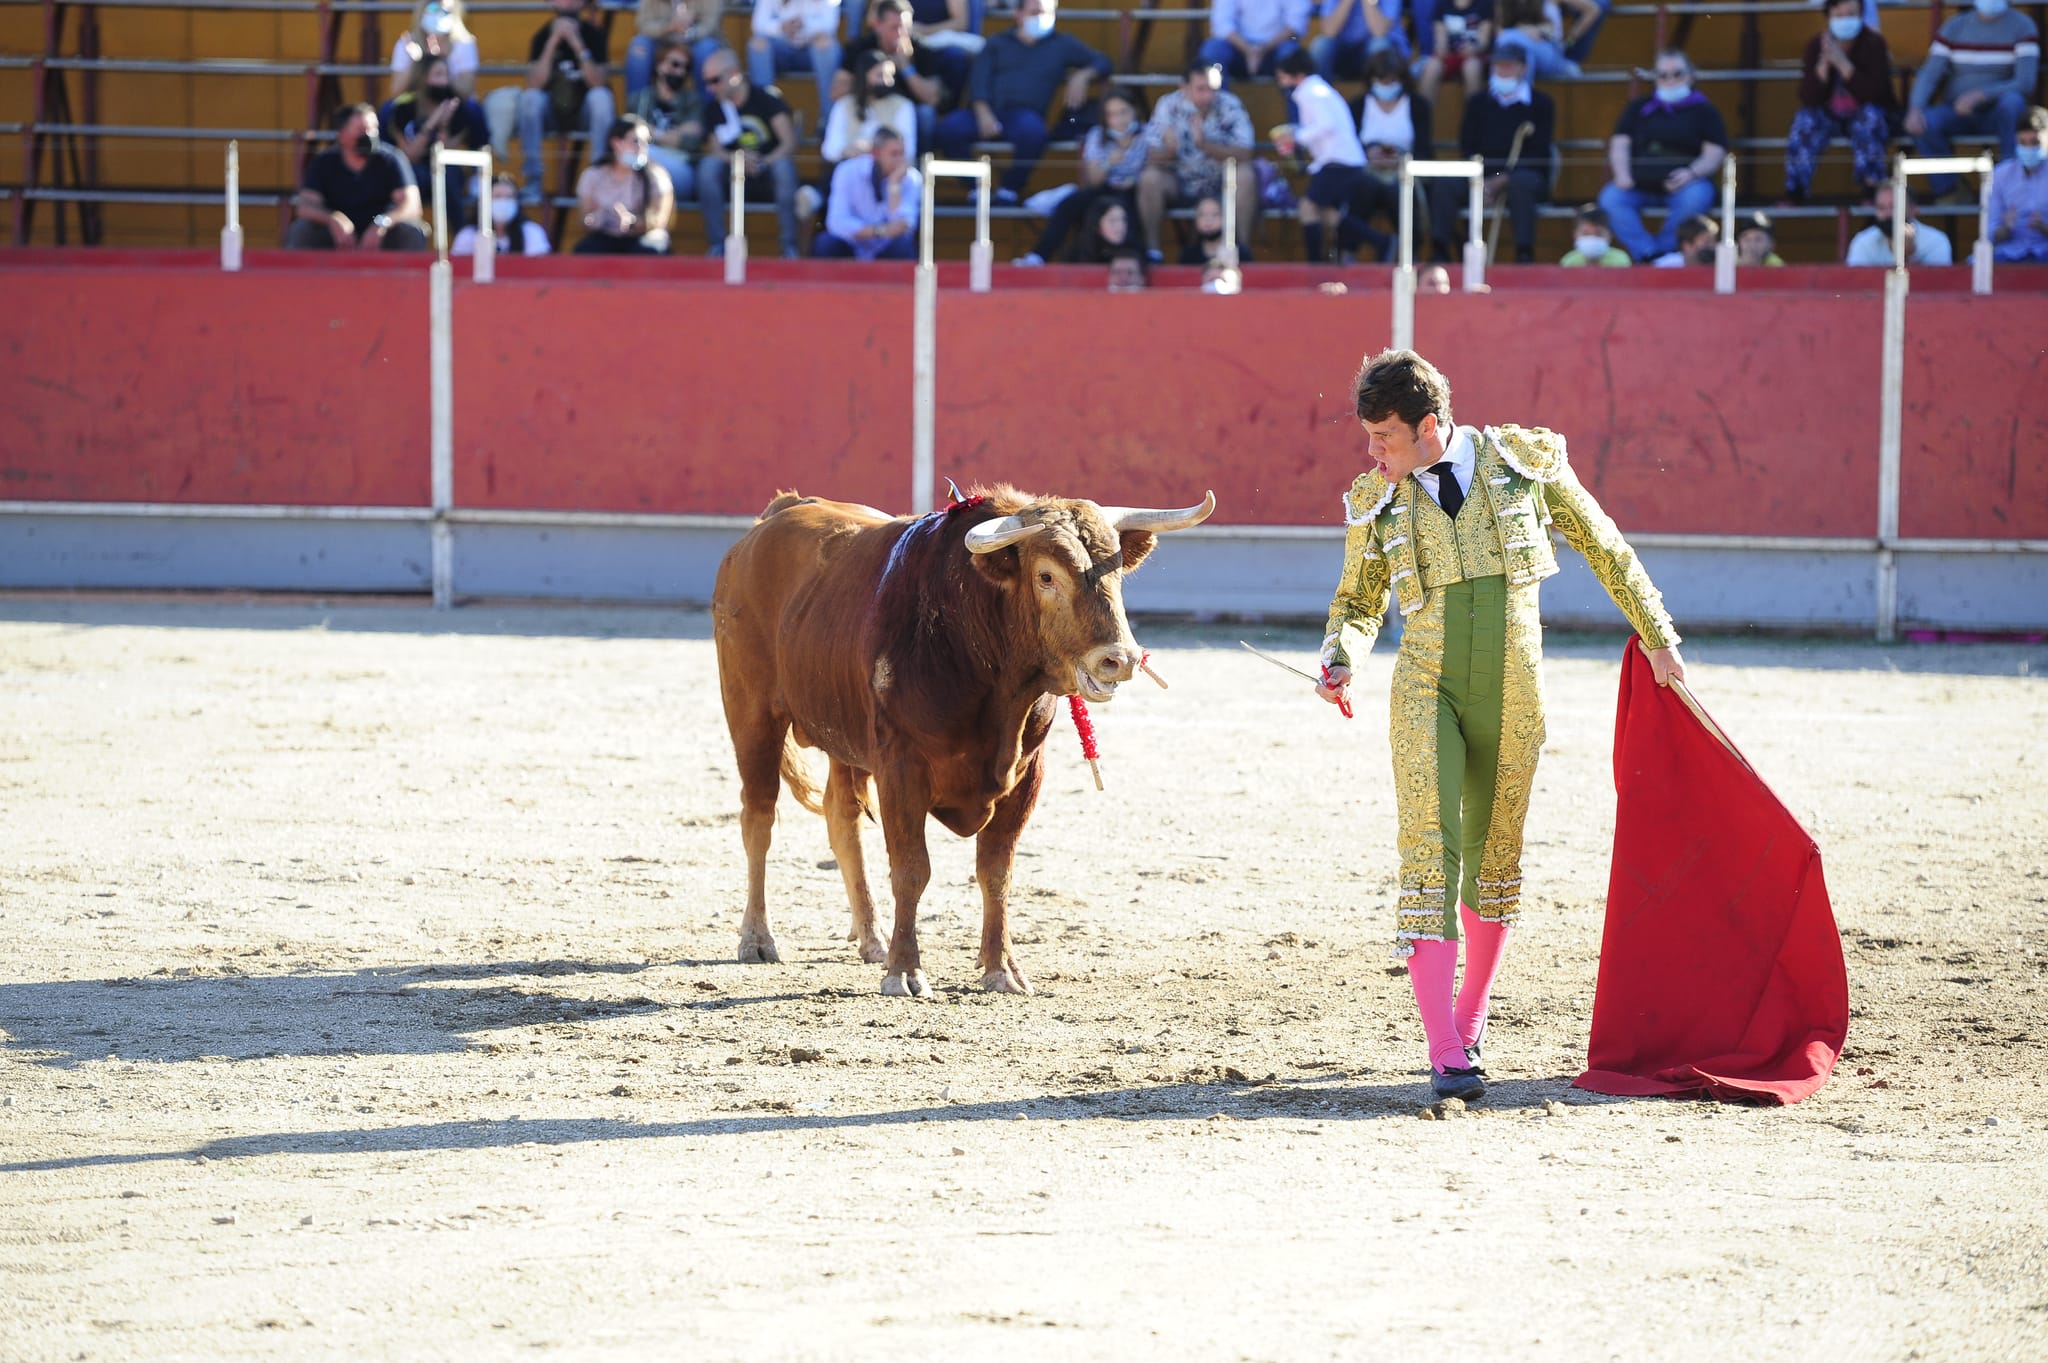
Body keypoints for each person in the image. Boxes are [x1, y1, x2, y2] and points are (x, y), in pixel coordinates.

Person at [1316, 348, 1686, 1102]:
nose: (1372, 453)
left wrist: (1658, 634)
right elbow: (1357, 601)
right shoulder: (1376, 498)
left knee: (1495, 854)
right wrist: (1340, 655)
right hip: (1426, 687)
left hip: (1516, 689)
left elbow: (1604, 545)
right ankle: (1445, 1050)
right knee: (1429, 851)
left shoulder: (1524, 463)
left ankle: (1470, 1015)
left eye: (1384, 437)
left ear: (1428, 426)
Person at [935, 0, 1112, 205]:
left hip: (1023, 117)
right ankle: (976, 187)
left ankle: (1008, 190)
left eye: (1047, 13)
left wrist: (1083, 75)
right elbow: (978, 80)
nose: (1041, 18)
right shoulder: (997, 43)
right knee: (947, 129)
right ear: (1018, 14)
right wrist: (983, 113)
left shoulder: (1062, 44)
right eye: (1035, 12)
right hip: (983, 112)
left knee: (1035, 133)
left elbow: (1104, 61)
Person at [1597, 50, 1726, 262]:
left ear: (1691, 76)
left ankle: (1666, 252)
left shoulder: (1705, 111)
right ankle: (1648, 253)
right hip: (1638, 183)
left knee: (1696, 197)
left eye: (1677, 74)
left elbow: (1714, 153)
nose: (1670, 80)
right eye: (1663, 75)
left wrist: (1691, 173)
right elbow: (1620, 143)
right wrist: (1622, 175)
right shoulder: (1637, 108)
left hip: (1686, 183)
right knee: (1611, 198)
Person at [1431, 38, 1551, 263]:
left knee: (1522, 184)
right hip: (1480, 173)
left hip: (1520, 174)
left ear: (1524, 68)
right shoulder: (1478, 102)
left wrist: (1501, 179)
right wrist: (1480, 180)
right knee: (1445, 183)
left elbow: (1539, 153)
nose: (1502, 71)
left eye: (1508, 66)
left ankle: (1524, 253)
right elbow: (1467, 146)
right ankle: (1439, 250)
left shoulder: (1541, 104)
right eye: (1498, 66)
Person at [1907, 0, 2040, 198]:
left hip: (1997, 112)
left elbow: (2025, 82)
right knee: (1924, 122)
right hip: (1957, 111)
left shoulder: (2023, 26)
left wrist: (1982, 94)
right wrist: (1915, 108)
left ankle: (2011, 188)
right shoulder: (1954, 26)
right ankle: (1950, 191)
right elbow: (1930, 73)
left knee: (2013, 104)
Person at [496, 0, 615, 205]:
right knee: (530, 99)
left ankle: (599, 179)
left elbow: (598, 82)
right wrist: (552, 42)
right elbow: (534, 83)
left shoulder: (594, 35)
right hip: (551, 112)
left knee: (601, 98)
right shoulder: (542, 35)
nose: (567, 2)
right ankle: (533, 179)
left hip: (584, 112)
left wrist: (577, 44)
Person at [1140, 62, 1258, 265]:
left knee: (1246, 175)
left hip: (1221, 183)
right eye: (1200, 89)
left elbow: (1247, 152)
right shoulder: (1167, 105)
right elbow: (1150, 155)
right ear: (1184, 88)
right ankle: (1152, 252)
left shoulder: (1229, 104)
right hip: (1181, 182)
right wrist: (1170, 150)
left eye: (1212, 89)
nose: (1207, 96)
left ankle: (1241, 251)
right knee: (1150, 178)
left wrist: (1205, 145)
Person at [1015, 85, 1149, 266]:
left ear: (1135, 110)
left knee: (1126, 209)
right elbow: (1093, 180)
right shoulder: (1097, 135)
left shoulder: (1148, 134)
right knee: (1069, 204)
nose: (1118, 120)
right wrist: (1109, 162)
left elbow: (1155, 170)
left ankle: (1141, 260)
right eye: (1111, 114)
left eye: (1123, 112)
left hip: (1137, 191)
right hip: (1105, 187)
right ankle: (1038, 256)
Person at [1784, 0, 1895, 204]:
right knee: (1805, 119)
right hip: (1829, 116)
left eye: (1851, 14)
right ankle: (1796, 191)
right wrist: (1824, 65)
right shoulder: (1816, 45)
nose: (1845, 20)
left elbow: (1874, 94)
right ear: (1829, 17)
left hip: (1863, 114)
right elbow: (1808, 97)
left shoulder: (1874, 43)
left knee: (1870, 118)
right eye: (1839, 15)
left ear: (1860, 15)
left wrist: (1843, 64)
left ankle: (1871, 189)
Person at [697, 47, 803, 257]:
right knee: (707, 168)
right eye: (706, 82)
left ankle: (789, 249)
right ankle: (717, 247)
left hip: (768, 172)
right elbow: (715, 150)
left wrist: (763, 162)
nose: (710, 88)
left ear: (734, 74)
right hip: (733, 176)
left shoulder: (766, 99)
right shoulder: (714, 108)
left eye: (715, 80)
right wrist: (737, 160)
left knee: (784, 168)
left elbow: (789, 143)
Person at [287, 104, 429, 251]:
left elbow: (412, 206)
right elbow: (305, 206)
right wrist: (333, 219)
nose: (369, 135)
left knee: (412, 230)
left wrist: (383, 222)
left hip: (383, 233)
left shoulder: (391, 159)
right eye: (361, 130)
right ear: (342, 135)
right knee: (301, 230)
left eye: (373, 129)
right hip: (337, 235)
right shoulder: (324, 162)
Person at [1274, 47, 1367, 263]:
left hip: (1337, 161)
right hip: (1342, 160)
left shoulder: (1311, 92)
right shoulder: (1318, 90)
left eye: (1283, 77)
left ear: (1297, 75)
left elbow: (1326, 124)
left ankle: (1315, 264)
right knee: (1326, 213)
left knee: (1307, 207)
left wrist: (1296, 136)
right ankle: (1382, 241)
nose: (1281, 83)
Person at [1345, 48, 1435, 262]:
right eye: (1381, 80)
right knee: (1363, 186)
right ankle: (1348, 252)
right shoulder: (1357, 106)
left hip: (1404, 173)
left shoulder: (1418, 106)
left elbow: (1424, 149)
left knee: (1399, 190)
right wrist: (1368, 154)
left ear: (1402, 80)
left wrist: (1401, 159)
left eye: (1392, 80)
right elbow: (1348, 147)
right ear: (1371, 79)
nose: (1386, 86)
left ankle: (1408, 254)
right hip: (1366, 172)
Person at [381, 56, 485, 225]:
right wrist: (432, 123)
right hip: (416, 169)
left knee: (448, 175)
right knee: (408, 175)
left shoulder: (458, 109)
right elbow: (410, 155)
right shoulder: (403, 108)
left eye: (446, 75)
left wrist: (444, 126)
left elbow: (447, 154)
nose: (444, 81)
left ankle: (461, 232)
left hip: (444, 171)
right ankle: (406, 229)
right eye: (438, 75)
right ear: (423, 77)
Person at [832, 0, 949, 151]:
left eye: (906, 28)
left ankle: (917, 162)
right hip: (866, 111)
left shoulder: (921, 49)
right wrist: (869, 77)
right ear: (877, 25)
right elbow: (836, 93)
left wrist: (906, 68)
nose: (901, 34)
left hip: (902, 114)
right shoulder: (860, 48)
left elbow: (932, 99)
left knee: (925, 114)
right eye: (895, 27)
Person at [816, 125, 922, 258]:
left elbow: (904, 227)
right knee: (825, 243)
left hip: (887, 247)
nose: (900, 160)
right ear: (875, 153)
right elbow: (836, 222)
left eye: (902, 154)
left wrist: (894, 186)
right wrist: (878, 231)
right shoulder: (847, 171)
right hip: (851, 243)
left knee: (903, 244)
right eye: (894, 154)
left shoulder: (912, 178)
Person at [572, 114, 674, 253]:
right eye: (635, 141)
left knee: (648, 251)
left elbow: (659, 221)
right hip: (606, 236)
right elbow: (585, 219)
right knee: (585, 250)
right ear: (616, 143)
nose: (642, 147)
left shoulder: (656, 175)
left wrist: (632, 222)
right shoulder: (593, 175)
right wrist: (598, 219)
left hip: (642, 237)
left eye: (646, 142)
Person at [822, 48, 921, 166]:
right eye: (880, 75)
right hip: (852, 169)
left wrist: (875, 150)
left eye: (890, 76)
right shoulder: (844, 105)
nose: (887, 81)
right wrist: (850, 150)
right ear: (864, 76)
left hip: (890, 172)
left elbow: (908, 151)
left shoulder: (903, 105)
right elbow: (830, 150)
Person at [633, 41, 705, 200]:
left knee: (643, 154)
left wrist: (652, 132)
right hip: (644, 168)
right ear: (659, 65)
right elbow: (630, 135)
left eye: (686, 67)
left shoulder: (693, 100)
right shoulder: (640, 98)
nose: (680, 71)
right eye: (675, 64)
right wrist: (677, 133)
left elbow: (692, 141)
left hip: (681, 169)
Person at [749, 0, 843, 109]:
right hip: (781, 51)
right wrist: (781, 27)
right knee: (758, 44)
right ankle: (764, 111)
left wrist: (804, 24)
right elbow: (758, 24)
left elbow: (830, 24)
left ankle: (830, 115)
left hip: (812, 52)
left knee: (825, 43)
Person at [628, 0, 724, 102]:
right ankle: (638, 107)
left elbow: (711, 25)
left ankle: (708, 108)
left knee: (706, 49)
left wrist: (688, 32)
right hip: (662, 40)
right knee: (639, 48)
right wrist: (670, 27)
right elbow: (643, 24)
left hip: (696, 40)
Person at [1987, 105, 2048, 262]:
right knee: (1975, 265)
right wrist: (2006, 228)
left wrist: (2044, 227)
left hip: (2045, 252)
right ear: (2016, 140)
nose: (2029, 148)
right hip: (2009, 253)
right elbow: (1990, 233)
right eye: (2023, 142)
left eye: (2035, 142)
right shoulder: (2000, 174)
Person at [1845, 180, 1954, 265]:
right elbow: (1855, 282)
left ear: (1913, 210)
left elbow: (1937, 284)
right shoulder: (1862, 242)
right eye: (1881, 208)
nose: (1887, 214)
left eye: (1894, 207)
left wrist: (1911, 254)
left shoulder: (1936, 241)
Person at [1201, 0, 1311, 83]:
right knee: (1213, 51)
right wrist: (1248, 51)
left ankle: (1300, 107)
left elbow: (1295, 26)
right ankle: (1217, 105)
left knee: (1292, 54)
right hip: (1238, 50)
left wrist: (1261, 51)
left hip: (1277, 50)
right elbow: (1221, 25)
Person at [390, 0, 479, 100]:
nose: (439, 14)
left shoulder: (464, 43)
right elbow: (396, 92)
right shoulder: (407, 44)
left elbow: (466, 91)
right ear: (421, 11)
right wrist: (419, 62)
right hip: (417, 103)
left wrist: (441, 60)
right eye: (433, 8)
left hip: (453, 102)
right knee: (388, 107)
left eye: (446, 11)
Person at [1494, 0, 1598, 81]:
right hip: (1518, 48)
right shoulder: (1504, 3)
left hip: (1547, 47)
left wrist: (1569, 41)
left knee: (1511, 42)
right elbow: (1500, 31)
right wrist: (1522, 32)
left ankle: (1508, 95)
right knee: (1521, 49)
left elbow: (1592, 9)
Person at [454, 172, 553, 255]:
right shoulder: (468, 235)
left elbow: (539, 266)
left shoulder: (531, 232)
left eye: (509, 197)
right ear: (483, 202)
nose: (503, 202)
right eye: (497, 196)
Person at [1313, 0, 1410, 84]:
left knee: (1379, 45)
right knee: (1321, 44)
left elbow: (1379, 31)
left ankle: (1377, 97)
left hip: (1373, 55)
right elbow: (1329, 31)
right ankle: (1320, 96)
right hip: (1344, 55)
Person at [1417, 0, 1493, 104]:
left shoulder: (1484, 4)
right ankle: (1422, 112)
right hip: (1450, 55)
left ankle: (1474, 111)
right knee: (1431, 66)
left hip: (1474, 55)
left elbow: (1483, 41)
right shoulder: (1442, 4)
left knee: (1472, 67)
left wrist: (1473, 48)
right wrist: (1441, 48)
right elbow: (1440, 37)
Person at [1177, 194, 1255, 264]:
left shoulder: (1241, 254)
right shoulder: (1188, 256)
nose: (1208, 220)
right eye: (1202, 215)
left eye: (1215, 215)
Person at [1558, 202, 1628, 264]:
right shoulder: (1569, 261)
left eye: (1598, 234)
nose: (1592, 238)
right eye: (1586, 234)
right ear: (1575, 234)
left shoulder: (1620, 261)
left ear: (1610, 235)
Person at [1652, 212, 1716, 266]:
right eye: (1706, 242)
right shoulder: (1664, 265)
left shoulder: (1717, 265)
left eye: (1714, 242)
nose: (1712, 246)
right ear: (1687, 245)